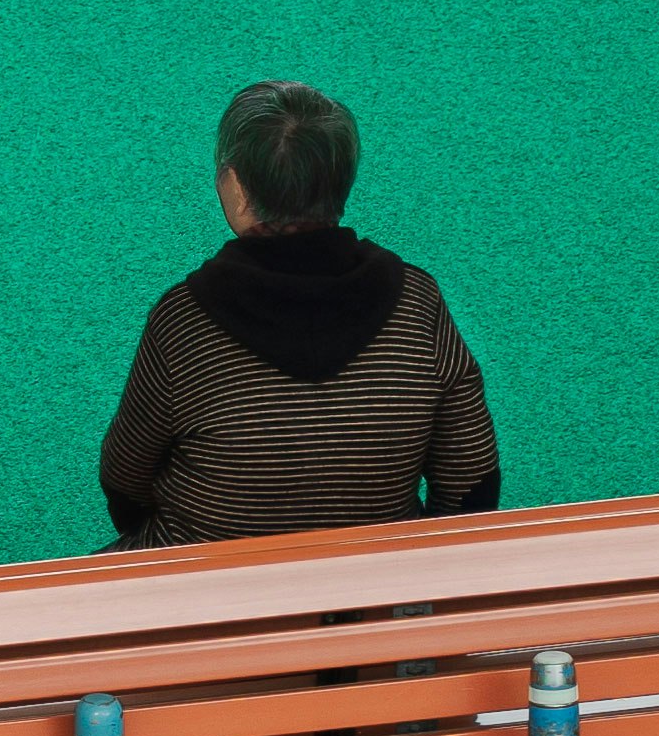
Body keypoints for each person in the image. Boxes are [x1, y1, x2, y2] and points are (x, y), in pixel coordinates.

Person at [94, 81, 501, 548]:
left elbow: (125, 483)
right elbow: (472, 483)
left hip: (207, 592)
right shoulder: (418, 300)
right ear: (343, 183)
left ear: (233, 186)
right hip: (379, 588)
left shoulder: (182, 321)